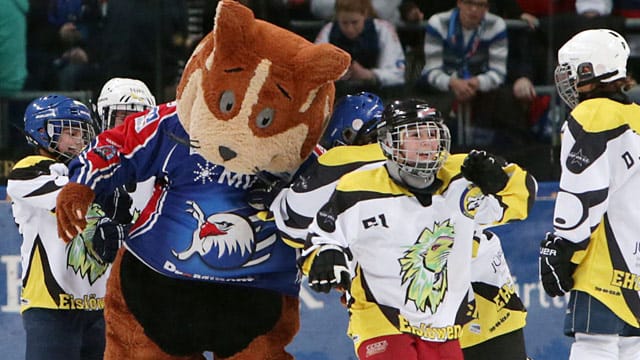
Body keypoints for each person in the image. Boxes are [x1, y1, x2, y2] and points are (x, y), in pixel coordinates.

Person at [298, 99, 536, 359]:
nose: (427, 142)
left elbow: (520, 198)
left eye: (432, 134)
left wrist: (500, 181)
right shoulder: (357, 189)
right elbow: (321, 235)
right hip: (381, 320)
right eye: (414, 135)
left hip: (445, 326)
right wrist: (324, 255)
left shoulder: (463, 177)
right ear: (388, 142)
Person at [539, 28, 640, 360]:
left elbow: (584, 194)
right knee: (632, 347)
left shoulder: (592, 115)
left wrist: (563, 245)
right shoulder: (635, 115)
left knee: (594, 345)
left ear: (589, 71)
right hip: (636, 263)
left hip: (604, 264)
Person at [6, 95, 104, 359]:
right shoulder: (30, 169)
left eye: (82, 134)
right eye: (70, 132)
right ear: (41, 133)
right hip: (49, 306)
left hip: (98, 306)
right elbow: (74, 196)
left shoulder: (88, 172)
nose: (79, 141)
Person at [418, 0, 508, 147]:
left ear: (487, 8)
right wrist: (452, 83)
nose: (473, 9)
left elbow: (498, 72)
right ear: (459, 3)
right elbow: (431, 70)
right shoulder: (438, 23)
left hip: (480, 90)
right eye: (468, 3)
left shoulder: (496, 25)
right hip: (442, 89)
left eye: (480, 5)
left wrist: (476, 83)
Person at [90, 77, 157, 263]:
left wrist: (130, 234)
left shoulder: (164, 170)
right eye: (122, 117)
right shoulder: (87, 168)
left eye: (138, 118)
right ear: (103, 119)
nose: (131, 126)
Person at [314, 0, 406, 98]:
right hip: (338, 96)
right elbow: (314, 70)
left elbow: (397, 74)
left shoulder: (383, 30)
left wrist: (370, 75)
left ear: (365, 15)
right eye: (344, 23)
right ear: (337, 18)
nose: (350, 29)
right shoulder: (328, 31)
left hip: (377, 95)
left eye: (355, 22)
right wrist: (333, 75)